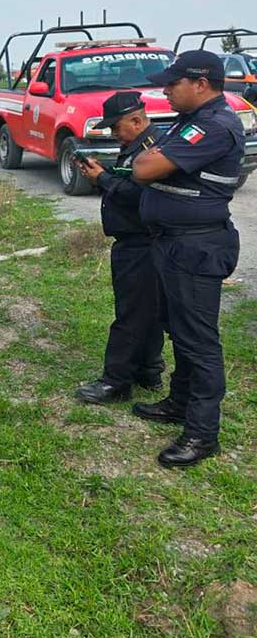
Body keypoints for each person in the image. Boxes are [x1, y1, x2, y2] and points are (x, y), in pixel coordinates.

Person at [132, 50, 244, 468]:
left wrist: (151, 161)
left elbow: (143, 168)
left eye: (173, 83)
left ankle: (202, 432)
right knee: (177, 328)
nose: (165, 89)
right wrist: (151, 160)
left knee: (198, 340)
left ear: (201, 83)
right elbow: (145, 159)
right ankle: (179, 402)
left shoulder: (214, 126)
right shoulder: (187, 121)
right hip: (173, 244)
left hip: (197, 247)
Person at [73, 92, 165, 405]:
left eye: (117, 126)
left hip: (141, 243)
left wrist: (104, 181)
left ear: (137, 120)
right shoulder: (135, 148)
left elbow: (143, 196)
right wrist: (105, 173)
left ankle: (116, 381)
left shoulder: (153, 150)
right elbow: (129, 182)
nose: (113, 132)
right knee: (147, 310)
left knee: (130, 314)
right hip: (136, 242)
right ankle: (148, 369)